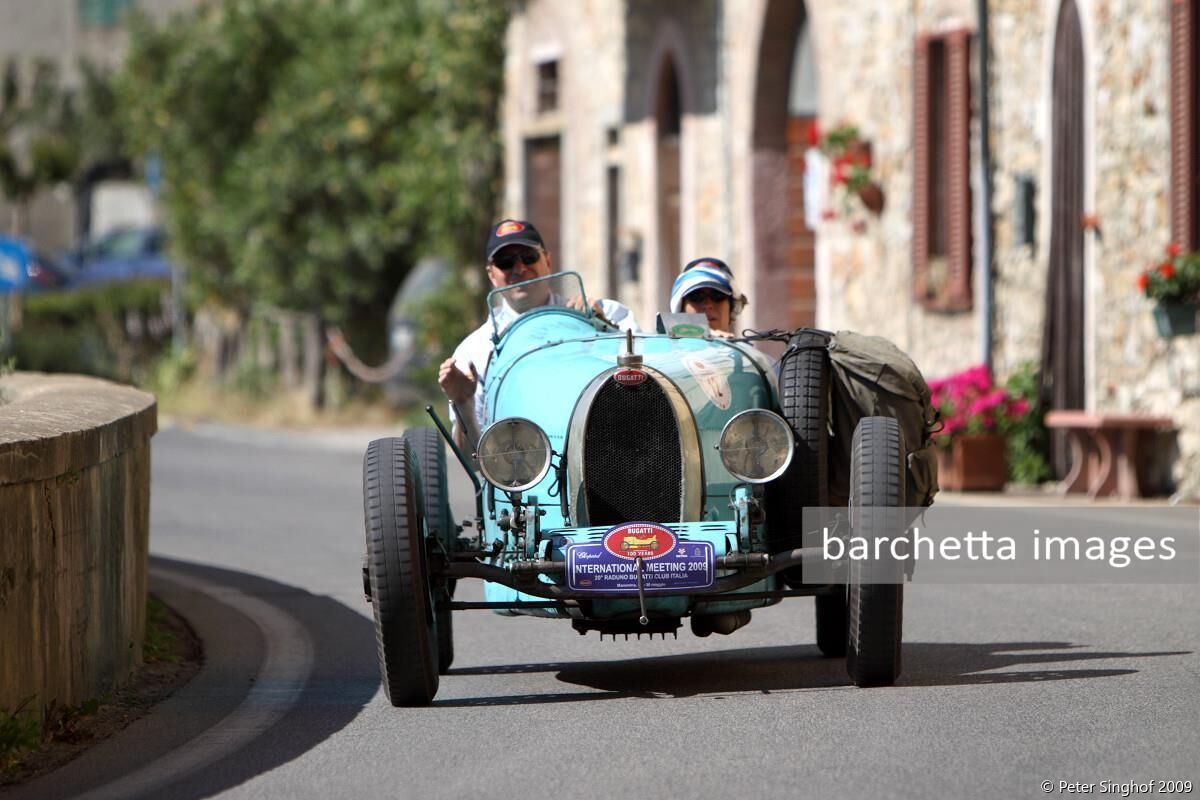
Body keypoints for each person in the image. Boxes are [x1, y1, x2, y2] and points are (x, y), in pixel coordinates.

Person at [438, 219, 638, 449]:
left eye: (529, 257)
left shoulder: (610, 313)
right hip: (522, 468)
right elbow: (474, 462)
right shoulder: (474, 351)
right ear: (491, 274)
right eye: (505, 262)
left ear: (548, 261)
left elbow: (647, 373)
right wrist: (463, 402)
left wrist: (604, 326)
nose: (520, 268)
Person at [669, 257, 747, 337]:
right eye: (696, 297)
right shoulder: (664, 348)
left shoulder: (744, 349)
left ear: (731, 309)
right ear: (681, 309)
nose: (708, 305)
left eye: (717, 296)